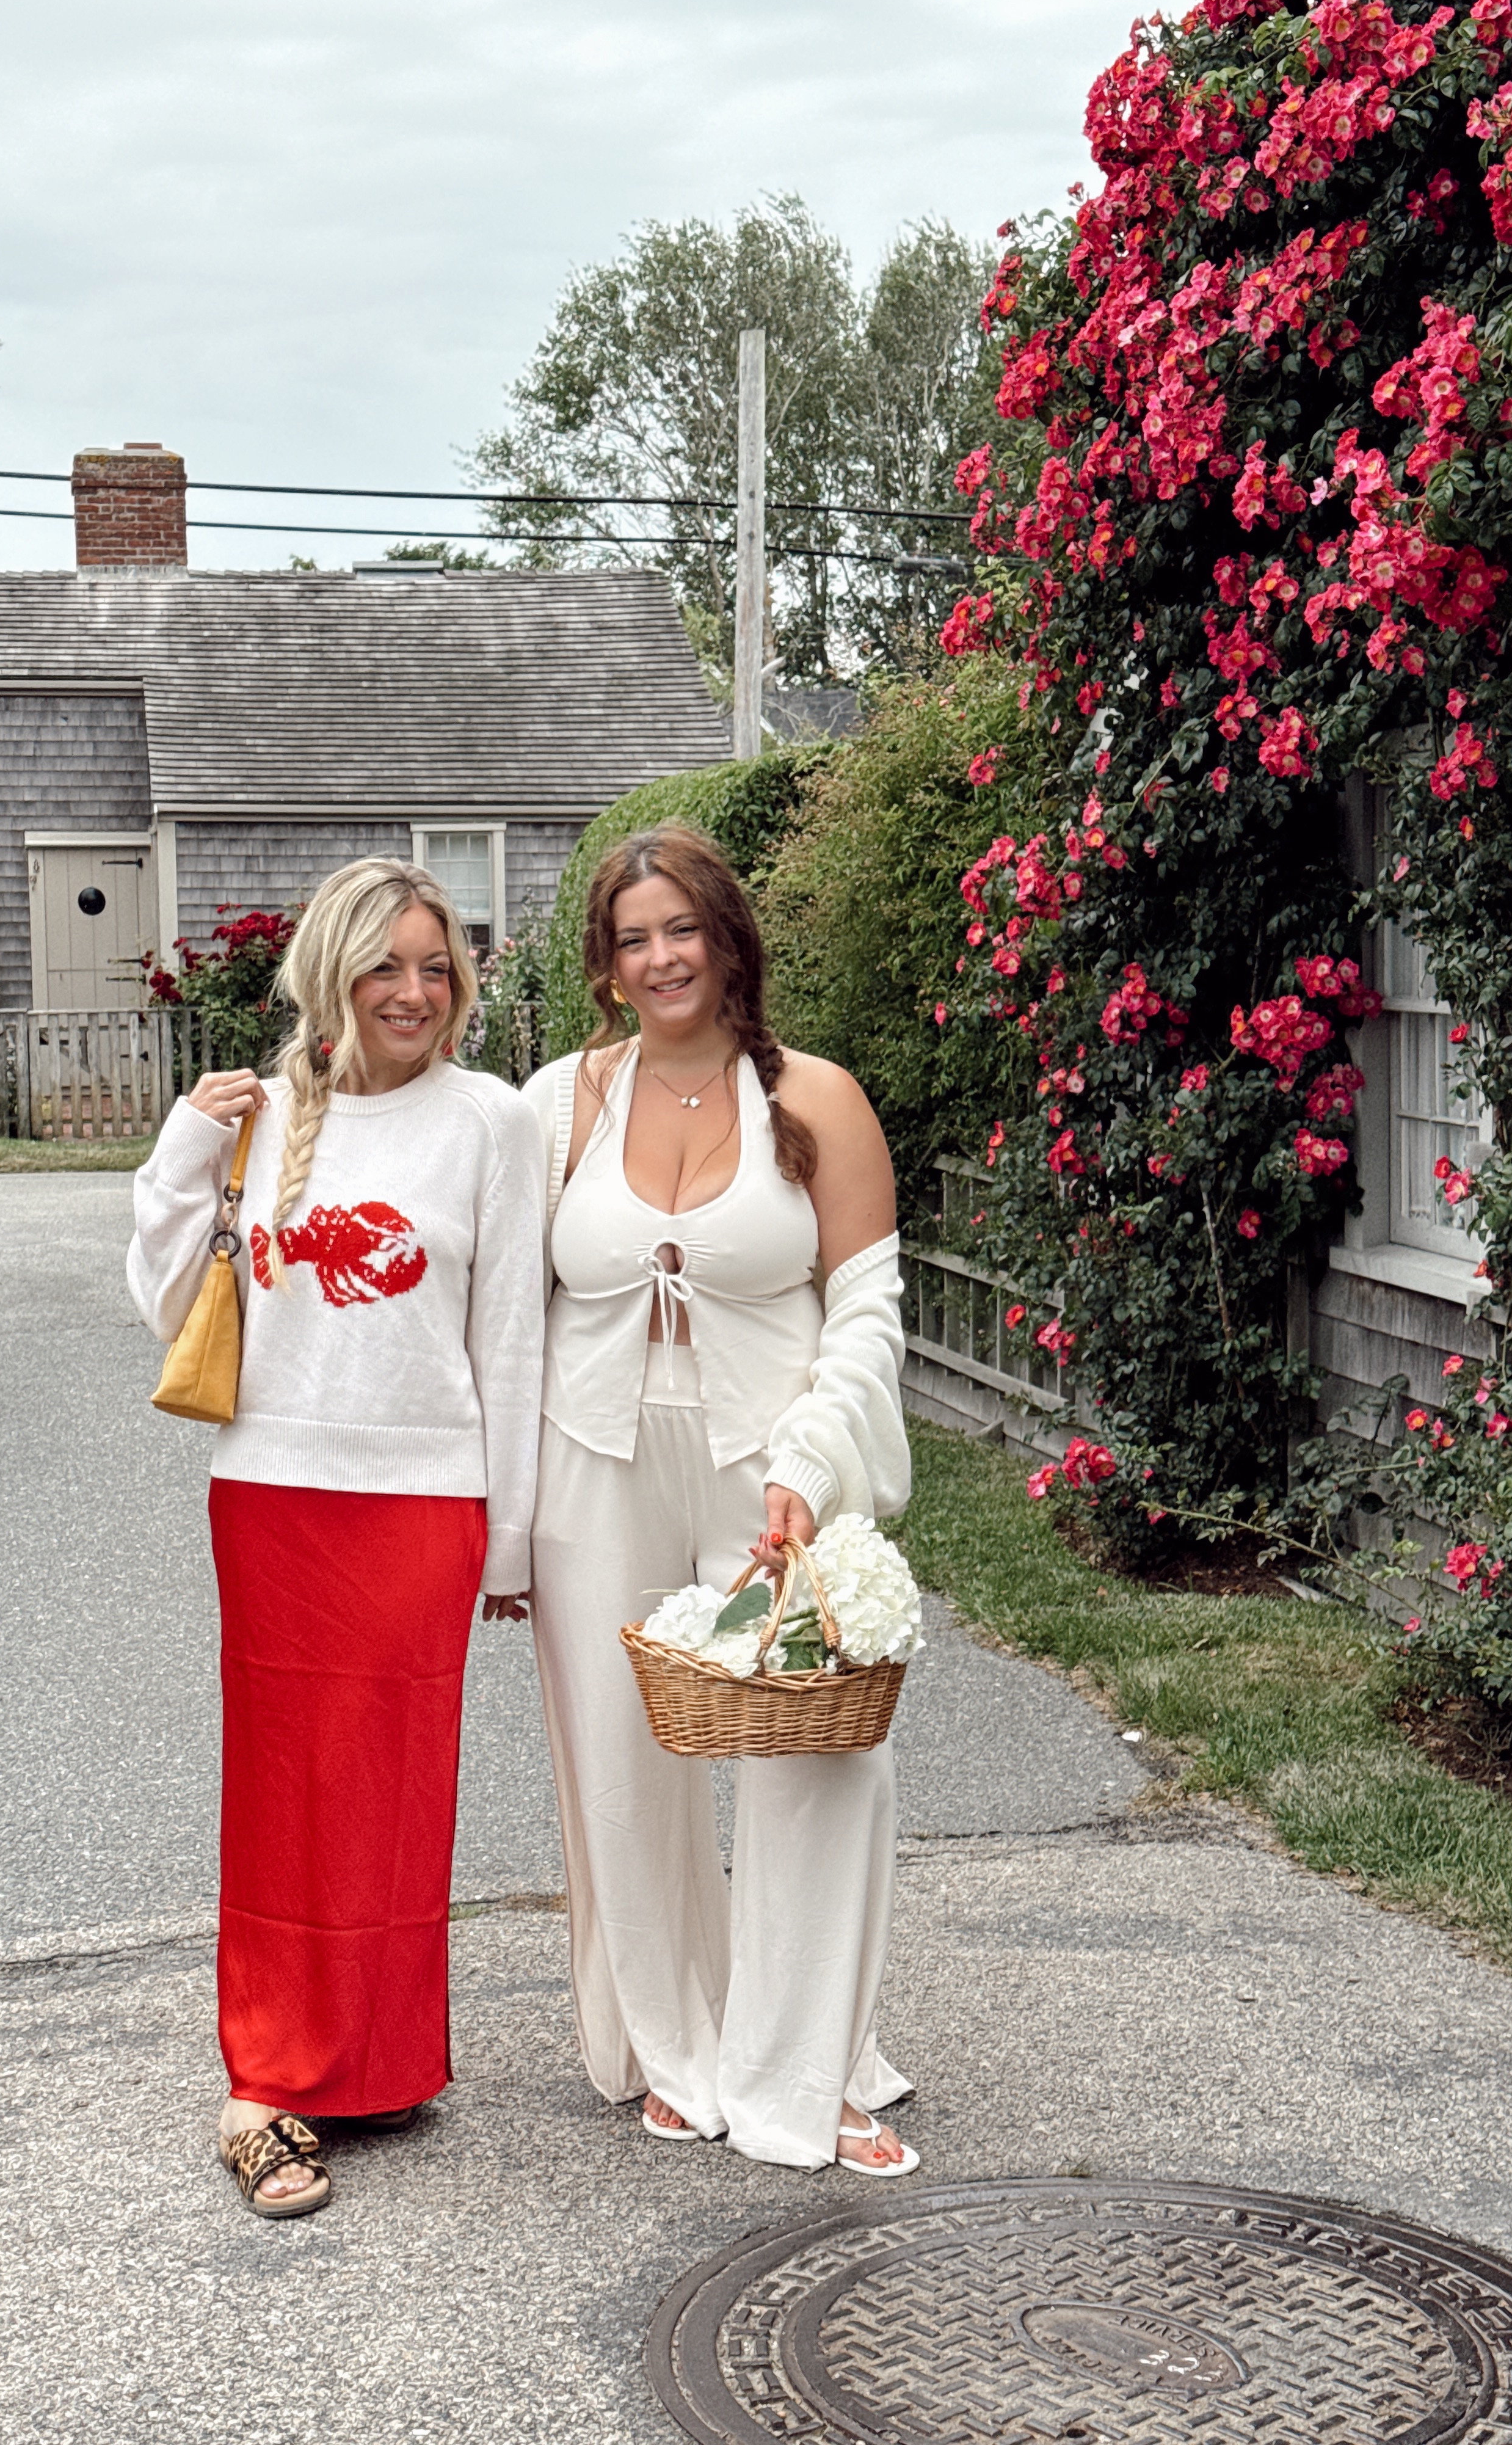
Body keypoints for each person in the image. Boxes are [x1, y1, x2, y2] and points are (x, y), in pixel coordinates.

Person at [128, 858, 544, 2218]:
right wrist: (188, 1143)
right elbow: (162, 1297)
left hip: (425, 1505)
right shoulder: (265, 1107)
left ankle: (375, 2061)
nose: (415, 991)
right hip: (276, 1499)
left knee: (401, 1790)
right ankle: (265, 2083)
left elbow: (514, 1342)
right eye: (387, 966)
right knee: (284, 1789)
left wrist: (515, 1535)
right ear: (332, 972)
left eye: (436, 965)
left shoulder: (490, 1122)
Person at [522, 822, 915, 2177]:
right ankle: (674, 2044)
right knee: (621, 1767)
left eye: (680, 928)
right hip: (593, 1459)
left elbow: (866, 1310)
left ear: (728, 936)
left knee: (813, 1754)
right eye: (632, 938)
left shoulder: (817, 1097)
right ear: (606, 965)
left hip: (772, 1465)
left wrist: (809, 1462)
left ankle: (805, 2062)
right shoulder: (558, 1101)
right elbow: (506, 1313)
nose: (659, 957)